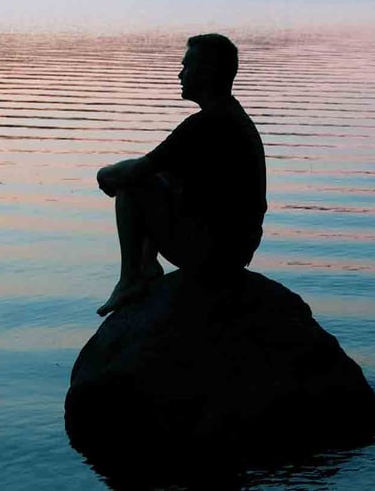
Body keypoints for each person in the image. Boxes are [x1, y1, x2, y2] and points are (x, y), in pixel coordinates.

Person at [96, 33, 267, 317]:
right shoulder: (232, 116)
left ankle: (130, 279)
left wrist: (105, 174)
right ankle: (148, 266)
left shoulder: (206, 124)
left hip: (214, 254)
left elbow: (136, 171)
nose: (179, 75)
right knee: (164, 177)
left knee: (132, 186)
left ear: (207, 72)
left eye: (186, 67)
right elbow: (159, 167)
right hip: (236, 250)